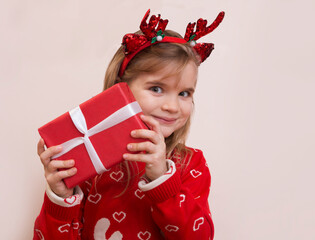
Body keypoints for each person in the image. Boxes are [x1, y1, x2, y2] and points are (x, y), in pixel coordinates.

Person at [33, 9, 224, 240]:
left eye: (184, 93)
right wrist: (61, 198)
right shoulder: (88, 165)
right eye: (156, 89)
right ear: (119, 90)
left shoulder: (190, 165)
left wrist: (163, 180)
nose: (173, 107)